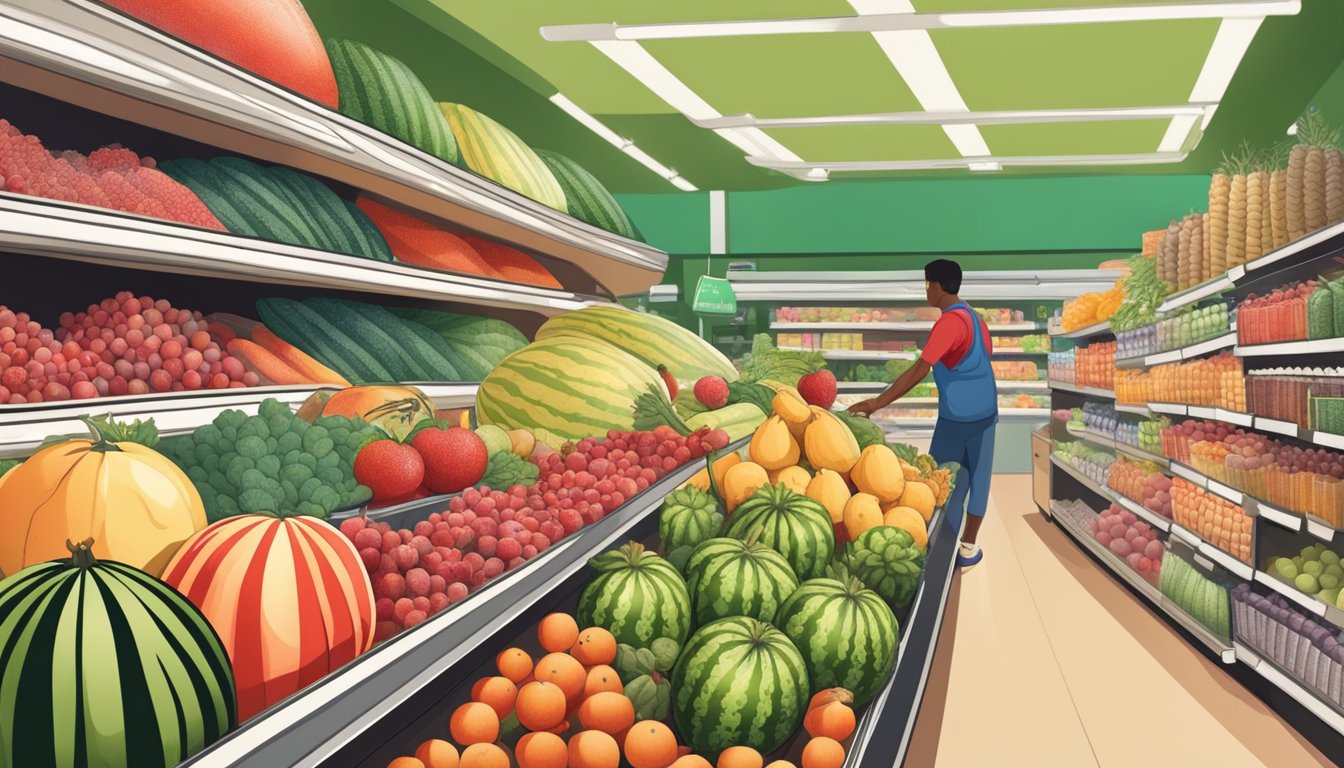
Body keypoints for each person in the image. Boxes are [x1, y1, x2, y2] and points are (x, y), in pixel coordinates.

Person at [848, 259, 997, 568]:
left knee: (937, 482)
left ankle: (937, 552)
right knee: (977, 479)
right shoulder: (976, 319)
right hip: (986, 411)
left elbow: (920, 368)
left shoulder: (950, 323)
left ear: (938, 287)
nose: (926, 290)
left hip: (958, 416)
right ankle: (968, 548)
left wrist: (878, 402)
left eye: (927, 283)